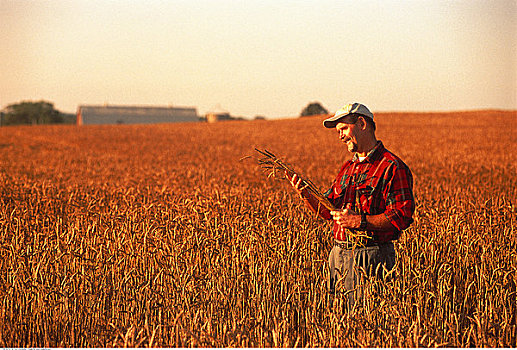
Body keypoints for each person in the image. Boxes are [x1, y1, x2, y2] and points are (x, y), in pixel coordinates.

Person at [287, 102, 415, 309]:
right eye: (338, 131)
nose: (340, 136)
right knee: (338, 321)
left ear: (362, 124)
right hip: (338, 257)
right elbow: (329, 211)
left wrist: (359, 221)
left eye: (344, 129)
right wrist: (306, 194)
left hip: (372, 257)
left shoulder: (391, 166)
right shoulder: (348, 168)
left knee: (369, 322)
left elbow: (402, 215)